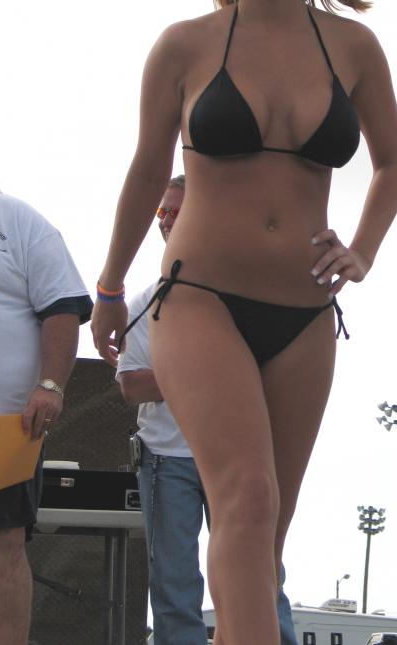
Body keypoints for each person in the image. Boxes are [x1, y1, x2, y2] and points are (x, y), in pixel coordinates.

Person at [92, 0, 397, 645]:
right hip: (201, 299)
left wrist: (363, 250)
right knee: (247, 497)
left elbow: (393, 163)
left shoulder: (354, 48)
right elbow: (145, 171)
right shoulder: (185, 46)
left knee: (265, 538)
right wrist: (109, 287)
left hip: (304, 314)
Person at [116, 174, 298, 645]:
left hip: (240, 455)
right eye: (161, 212)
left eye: (176, 211)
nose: (165, 220)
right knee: (174, 585)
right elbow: (131, 385)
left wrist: (189, 373)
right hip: (166, 459)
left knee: (262, 572)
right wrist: (211, 374)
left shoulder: (252, 295)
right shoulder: (145, 302)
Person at [0, 119, 93, 645]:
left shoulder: (13, 218)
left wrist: (50, 385)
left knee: (0, 546)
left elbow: (63, 306)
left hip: (3, 419)